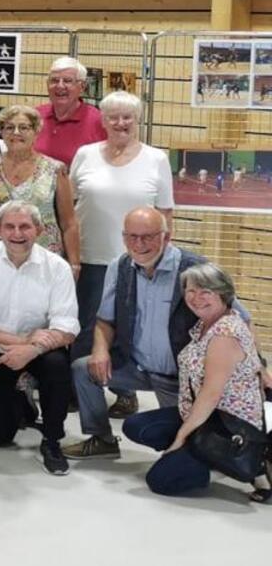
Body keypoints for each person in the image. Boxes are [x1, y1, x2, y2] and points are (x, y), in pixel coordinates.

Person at [64, 208, 234, 461]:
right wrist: (100, 350)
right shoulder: (119, 267)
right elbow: (105, 319)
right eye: (131, 236)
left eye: (148, 237)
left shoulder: (197, 269)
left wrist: (259, 368)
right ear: (123, 237)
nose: (139, 244)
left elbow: (236, 317)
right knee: (82, 369)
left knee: (196, 453)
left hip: (180, 378)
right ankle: (102, 439)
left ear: (166, 236)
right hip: (137, 367)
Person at [120, 263, 270, 497]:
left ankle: (241, 465)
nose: (196, 298)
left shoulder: (225, 334)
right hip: (201, 414)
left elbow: (211, 394)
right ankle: (205, 454)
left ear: (223, 294)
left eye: (206, 292)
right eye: (191, 290)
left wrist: (180, 438)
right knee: (136, 426)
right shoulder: (205, 323)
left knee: (161, 481)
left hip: (228, 422)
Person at [0, 201, 79, 476]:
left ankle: (52, 438)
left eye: (25, 226)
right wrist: (24, 343)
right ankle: (21, 402)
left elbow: (68, 328)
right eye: (9, 226)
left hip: (43, 351)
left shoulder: (57, 267)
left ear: (38, 229)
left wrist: (33, 350)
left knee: (57, 366)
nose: (17, 233)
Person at [68, 91, 173, 381]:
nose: (120, 122)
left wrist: (158, 260)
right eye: (113, 116)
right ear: (103, 120)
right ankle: (79, 388)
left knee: (129, 328)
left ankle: (125, 392)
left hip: (137, 260)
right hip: (89, 255)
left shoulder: (156, 159)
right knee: (84, 325)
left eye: (127, 116)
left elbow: (165, 213)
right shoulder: (85, 154)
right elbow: (68, 203)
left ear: (138, 120)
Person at [0, 105, 80, 274]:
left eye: (24, 127)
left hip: (43, 261)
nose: (16, 132)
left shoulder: (55, 170)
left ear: (36, 131)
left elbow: (69, 222)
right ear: (1, 132)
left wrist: (74, 264)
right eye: (9, 127)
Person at [36, 56, 107, 165]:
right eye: (54, 80)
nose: (60, 86)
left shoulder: (99, 121)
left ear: (82, 87)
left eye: (67, 81)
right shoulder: (35, 116)